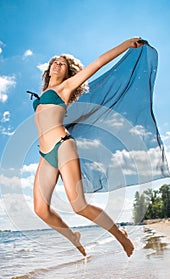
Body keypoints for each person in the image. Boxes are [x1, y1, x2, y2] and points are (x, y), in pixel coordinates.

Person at [32, 38, 145, 258]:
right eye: (54, 62)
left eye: (62, 63)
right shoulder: (46, 90)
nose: (57, 64)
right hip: (45, 154)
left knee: (79, 206)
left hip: (63, 145)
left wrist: (126, 45)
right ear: (48, 69)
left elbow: (98, 63)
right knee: (40, 210)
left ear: (68, 72)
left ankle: (120, 234)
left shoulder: (65, 88)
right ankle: (73, 236)